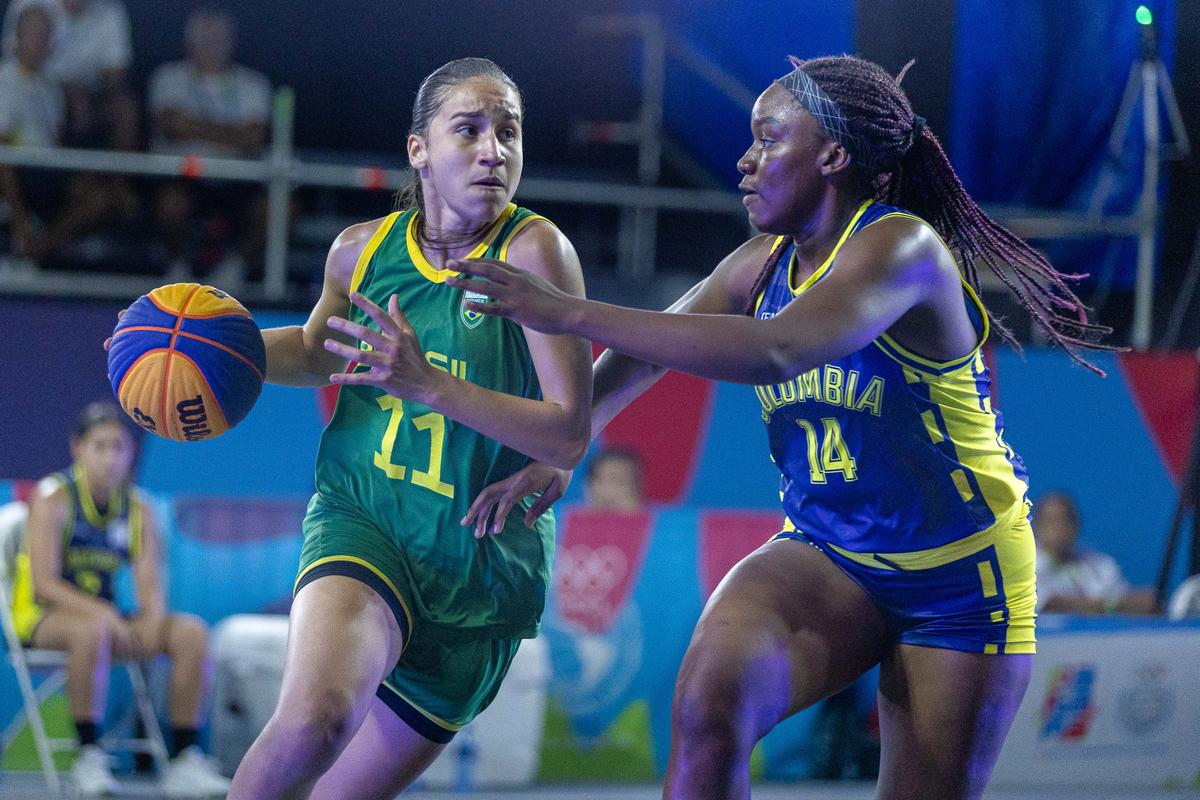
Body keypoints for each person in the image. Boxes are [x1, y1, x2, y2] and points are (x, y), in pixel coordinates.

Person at [451, 54, 1115, 800]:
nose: (744, 159)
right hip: (830, 549)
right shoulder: (760, 264)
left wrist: (568, 310)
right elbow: (648, 350)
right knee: (710, 701)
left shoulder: (903, 247)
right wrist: (568, 437)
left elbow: (780, 349)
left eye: (767, 138)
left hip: (959, 573)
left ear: (832, 154)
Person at [225, 57, 591, 799]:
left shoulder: (535, 252)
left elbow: (565, 437)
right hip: (367, 519)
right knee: (313, 722)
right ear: (419, 149)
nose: (494, 149)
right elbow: (315, 351)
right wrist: (211, 348)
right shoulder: (361, 251)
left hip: (481, 563)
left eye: (509, 133)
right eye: (470, 129)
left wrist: (428, 384)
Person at [9, 401, 230, 798]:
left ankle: (183, 758)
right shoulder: (52, 497)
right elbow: (43, 584)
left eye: (119, 447)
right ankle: (88, 755)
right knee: (92, 629)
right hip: (43, 617)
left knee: (190, 633)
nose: (111, 458)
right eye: (100, 446)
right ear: (78, 448)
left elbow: (149, 578)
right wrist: (104, 615)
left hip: (107, 618)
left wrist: (150, 619)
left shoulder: (139, 506)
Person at [0, 3, 133, 268]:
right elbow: (2, 158)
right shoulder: (5, 81)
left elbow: (55, 141)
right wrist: (19, 218)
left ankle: (37, 248)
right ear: (16, 38)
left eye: (44, 35)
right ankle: (24, 238)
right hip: (18, 172)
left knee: (108, 199)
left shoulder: (51, 87)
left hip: (47, 171)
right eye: (32, 34)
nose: (38, 42)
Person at [148, 7, 272, 285]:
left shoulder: (254, 84)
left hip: (239, 183)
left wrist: (195, 126)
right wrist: (232, 132)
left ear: (232, 40)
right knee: (170, 205)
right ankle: (178, 270)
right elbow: (171, 126)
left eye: (219, 37)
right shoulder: (168, 77)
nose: (211, 44)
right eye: (204, 37)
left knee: (278, 208)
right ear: (188, 40)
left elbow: (254, 137)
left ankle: (232, 272)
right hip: (184, 179)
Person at [1034, 491, 1156, 614]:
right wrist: (1111, 605)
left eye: (1066, 521)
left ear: (1076, 525)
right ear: (1037, 527)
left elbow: (1137, 602)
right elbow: (1051, 604)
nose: (1059, 528)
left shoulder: (1100, 564)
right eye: (1051, 522)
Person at [583, 447, 644, 511]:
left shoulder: (654, 517)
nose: (614, 489)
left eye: (621, 482)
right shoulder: (573, 516)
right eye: (610, 479)